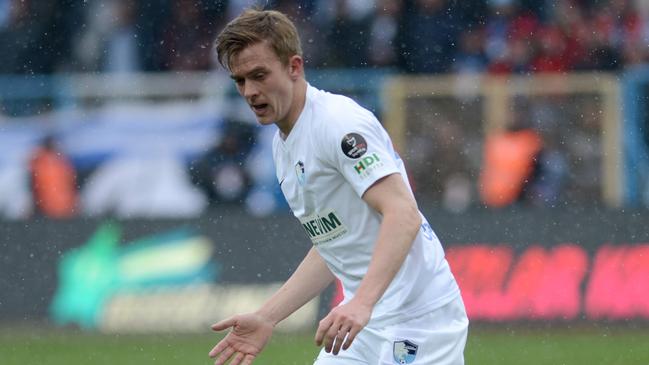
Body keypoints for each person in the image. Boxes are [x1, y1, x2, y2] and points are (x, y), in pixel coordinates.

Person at [208, 8, 468, 365]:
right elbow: (333, 244)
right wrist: (268, 316)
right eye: (240, 81)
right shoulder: (282, 145)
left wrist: (362, 301)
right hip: (362, 321)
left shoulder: (338, 125)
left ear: (294, 67)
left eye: (259, 75)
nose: (250, 92)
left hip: (418, 321)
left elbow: (403, 214)